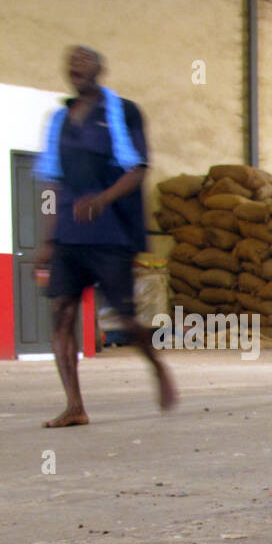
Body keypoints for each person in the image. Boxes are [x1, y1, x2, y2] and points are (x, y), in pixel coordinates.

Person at [35, 45, 176, 427]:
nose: (75, 66)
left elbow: (137, 169)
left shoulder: (122, 112)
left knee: (128, 320)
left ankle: (156, 364)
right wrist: (47, 238)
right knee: (60, 315)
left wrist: (102, 199)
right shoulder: (59, 120)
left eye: (84, 60)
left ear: (100, 68)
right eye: (70, 61)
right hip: (67, 235)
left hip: (109, 233)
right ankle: (75, 405)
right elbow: (52, 182)